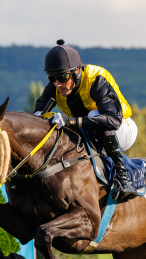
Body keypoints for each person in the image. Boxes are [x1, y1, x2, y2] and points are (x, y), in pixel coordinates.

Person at [34, 39, 139, 200]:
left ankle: (124, 178)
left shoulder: (96, 79)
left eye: (62, 77)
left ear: (76, 72)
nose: (57, 84)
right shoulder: (56, 87)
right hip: (93, 131)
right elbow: (38, 116)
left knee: (94, 115)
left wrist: (71, 121)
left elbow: (112, 121)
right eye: (52, 78)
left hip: (122, 128)